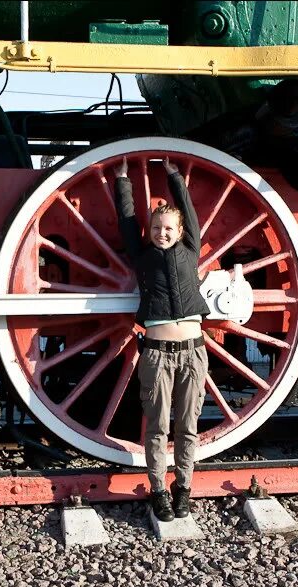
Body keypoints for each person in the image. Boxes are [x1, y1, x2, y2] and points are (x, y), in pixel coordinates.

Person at [113, 156, 210, 522]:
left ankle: (183, 488)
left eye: (168, 228)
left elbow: (187, 210)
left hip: (192, 352)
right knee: (156, 427)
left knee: (187, 427)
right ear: (150, 230)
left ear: (180, 230)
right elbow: (126, 223)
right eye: (156, 228)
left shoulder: (190, 249)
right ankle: (158, 490)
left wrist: (174, 177)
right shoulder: (142, 256)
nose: (162, 233)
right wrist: (123, 182)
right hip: (156, 354)